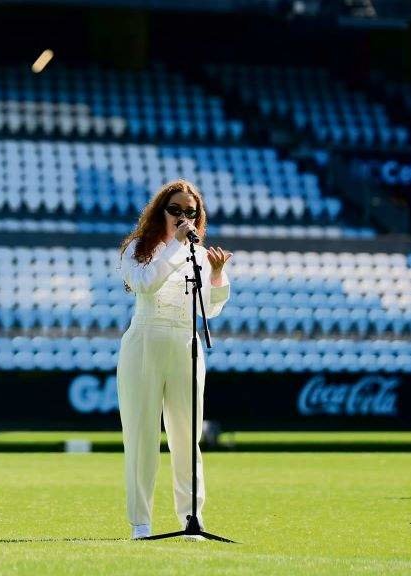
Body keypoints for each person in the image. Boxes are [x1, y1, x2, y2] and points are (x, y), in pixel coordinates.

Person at [116, 180, 233, 540]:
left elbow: (210, 310)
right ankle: (141, 523)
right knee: (142, 435)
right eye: (176, 210)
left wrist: (216, 274)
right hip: (145, 341)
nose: (184, 217)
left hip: (185, 341)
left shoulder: (197, 253)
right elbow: (145, 285)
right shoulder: (139, 248)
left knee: (187, 436)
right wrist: (175, 248)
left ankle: (191, 519)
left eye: (191, 212)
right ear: (160, 212)